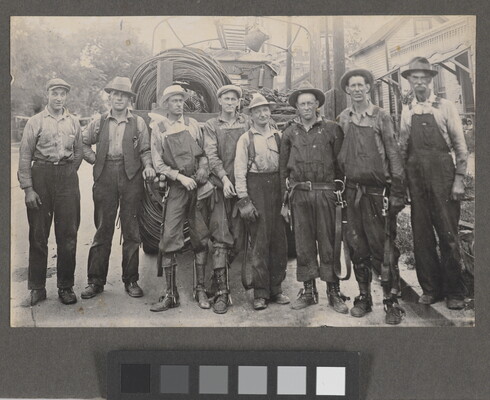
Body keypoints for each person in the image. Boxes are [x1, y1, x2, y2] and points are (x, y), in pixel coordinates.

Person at [337, 69, 406, 324]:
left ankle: (391, 300)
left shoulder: (381, 116)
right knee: (357, 246)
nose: (357, 89)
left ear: (368, 88)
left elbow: (394, 155)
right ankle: (364, 297)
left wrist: (397, 192)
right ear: (347, 90)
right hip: (353, 192)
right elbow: (340, 156)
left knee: (383, 247)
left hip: (378, 194)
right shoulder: (343, 119)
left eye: (361, 85)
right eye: (352, 85)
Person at [399, 57, 468, 310]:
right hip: (416, 177)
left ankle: (455, 292)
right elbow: (403, 147)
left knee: (448, 235)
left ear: (430, 80)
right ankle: (430, 289)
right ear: (409, 81)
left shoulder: (444, 106)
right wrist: (405, 183)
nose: (419, 83)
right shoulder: (407, 109)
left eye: (423, 78)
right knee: (422, 235)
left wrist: (459, 179)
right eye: (414, 78)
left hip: (443, 175)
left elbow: (460, 146)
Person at [81, 77, 155, 299]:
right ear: (110, 97)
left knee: (131, 230)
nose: (119, 98)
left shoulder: (138, 123)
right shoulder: (99, 121)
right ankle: (95, 281)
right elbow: (82, 142)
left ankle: (131, 280)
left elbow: (145, 150)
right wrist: (95, 160)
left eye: (124, 95)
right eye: (115, 94)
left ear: (129, 99)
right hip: (105, 176)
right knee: (103, 229)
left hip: (131, 176)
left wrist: (148, 166)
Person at [279, 81, 348, 314]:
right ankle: (309, 291)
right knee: (303, 243)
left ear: (317, 104)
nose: (307, 107)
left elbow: (341, 165)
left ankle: (333, 291)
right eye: (302, 104)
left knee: (329, 242)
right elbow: (282, 170)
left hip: (326, 193)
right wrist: (284, 202)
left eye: (310, 103)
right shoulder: (289, 133)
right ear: (297, 107)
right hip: (299, 195)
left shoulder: (331, 129)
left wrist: (338, 193)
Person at [18, 78, 83, 306]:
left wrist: (67, 173)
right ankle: (37, 288)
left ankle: (65, 286)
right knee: (38, 235)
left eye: (62, 94)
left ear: (66, 97)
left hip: (67, 177)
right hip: (41, 176)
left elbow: (78, 152)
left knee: (68, 235)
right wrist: (28, 188)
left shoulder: (73, 122)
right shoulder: (35, 122)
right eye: (55, 93)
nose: (58, 98)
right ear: (47, 94)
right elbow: (25, 156)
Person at [149, 85, 210, 312]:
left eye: (181, 100)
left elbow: (203, 153)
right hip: (176, 187)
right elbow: (158, 163)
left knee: (200, 236)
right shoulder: (159, 128)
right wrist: (180, 178)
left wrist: (202, 168)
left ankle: (200, 289)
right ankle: (170, 294)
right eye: (174, 101)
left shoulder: (192, 125)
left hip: (197, 187)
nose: (178, 104)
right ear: (166, 104)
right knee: (169, 237)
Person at [234, 93, 289, 310]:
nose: (262, 114)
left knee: (279, 241)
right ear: (252, 115)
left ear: (270, 112)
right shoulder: (245, 139)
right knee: (259, 242)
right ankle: (260, 292)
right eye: (258, 111)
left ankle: (276, 289)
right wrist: (244, 200)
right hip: (256, 188)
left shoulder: (279, 137)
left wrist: (286, 199)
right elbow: (239, 171)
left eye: (265, 110)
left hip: (276, 188)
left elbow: (285, 170)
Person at [202, 85, 251, 314]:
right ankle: (222, 293)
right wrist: (224, 178)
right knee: (221, 236)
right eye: (226, 99)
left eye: (234, 99)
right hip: (221, 188)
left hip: (242, 187)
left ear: (238, 102)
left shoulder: (247, 122)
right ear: (220, 101)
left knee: (239, 238)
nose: (230, 102)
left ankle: (216, 277)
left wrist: (242, 184)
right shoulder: (212, 125)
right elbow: (211, 155)